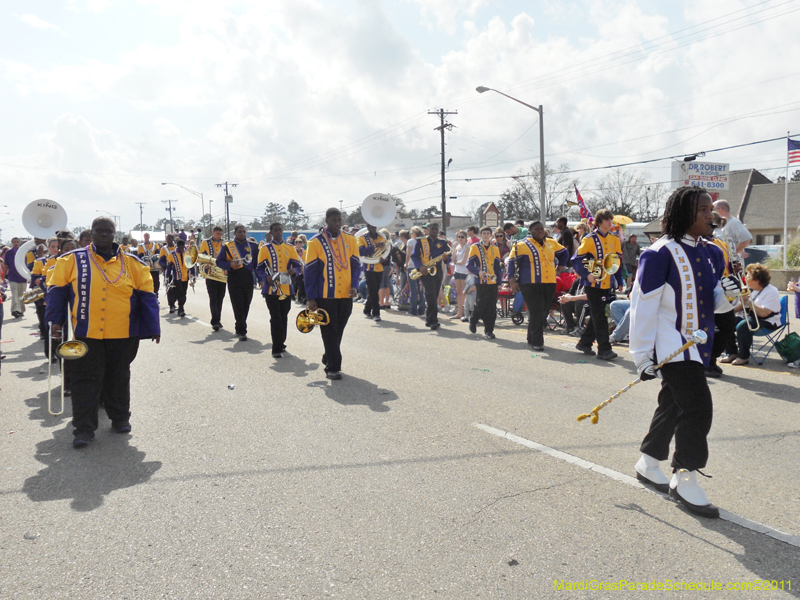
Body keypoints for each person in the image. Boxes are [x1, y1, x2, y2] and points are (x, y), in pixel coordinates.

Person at [630, 186, 731, 518]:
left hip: (698, 346)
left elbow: (712, 304)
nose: (710, 215)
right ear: (685, 213)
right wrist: (642, 355)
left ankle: (648, 461)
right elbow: (643, 306)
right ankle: (684, 477)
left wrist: (730, 294)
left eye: (710, 210)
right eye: (703, 210)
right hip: (672, 347)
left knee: (674, 404)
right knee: (699, 407)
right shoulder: (658, 253)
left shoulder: (711, 252)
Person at [46, 217, 161, 448]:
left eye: (109, 231)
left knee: (119, 376)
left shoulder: (133, 263)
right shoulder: (71, 260)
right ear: (93, 233)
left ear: (114, 234)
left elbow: (148, 296)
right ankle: (83, 429)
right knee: (84, 380)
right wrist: (55, 322)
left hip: (123, 334)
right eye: (100, 231)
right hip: (86, 334)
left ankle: (120, 419)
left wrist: (153, 327)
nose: (104, 235)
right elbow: (56, 292)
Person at [304, 208, 361, 380]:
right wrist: (311, 298)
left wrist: (355, 286)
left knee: (339, 329)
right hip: (325, 296)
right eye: (333, 221)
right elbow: (310, 273)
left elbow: (356, 266)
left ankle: (329, 354)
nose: (337, 224)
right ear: (326, 222)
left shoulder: (351, 240)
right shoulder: (315, 243)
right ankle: (333, 367)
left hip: (345, 295)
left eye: (339, 220)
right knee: (329, 330)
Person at [507, 221, 569, 350]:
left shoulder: (551, 243)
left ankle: (531, 336)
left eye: (542, 229)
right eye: (537, 229)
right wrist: (512, 281)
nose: (540, 231)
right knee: (536, 312)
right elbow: (511, 263)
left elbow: (564, 253)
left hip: (550, 282)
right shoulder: (521, 245)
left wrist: (560, 268)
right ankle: (537, 342)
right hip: (529, 283)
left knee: (543, 312)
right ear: (530, 230)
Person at [572, 209, 624, 360]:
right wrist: (587, 274)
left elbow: (616, 262)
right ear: (599, 222)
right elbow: (576, 259)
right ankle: (604, 349)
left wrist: (620, 281)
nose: (610, 222)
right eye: (607, 219)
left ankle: (585, 342)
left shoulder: (614, 239)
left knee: (599, 314)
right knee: (600, 316)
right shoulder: (590, 238)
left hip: (607, 283)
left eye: (611, 219)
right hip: (593, 284)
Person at [719, 263, 782, 366]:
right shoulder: (749, 289)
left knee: (743, 326)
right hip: (751, 316)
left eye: (747, 276)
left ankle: (743, 356)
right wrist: (739, 304)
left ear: (757, 280)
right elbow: (737, 308)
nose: (745, 278)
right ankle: (731, 352)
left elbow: (764, 313)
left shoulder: (771, 291)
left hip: (768, 320)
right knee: (727, 323)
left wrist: (748, 302)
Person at [256, 222, 302, 358]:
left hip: (286, 288)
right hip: (271, 289)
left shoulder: (290, 247)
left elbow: (298, 265)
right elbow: (259, 268)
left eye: (280, 230)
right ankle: (276, 347)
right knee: (275, 317)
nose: (278, 232)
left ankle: (281, 342)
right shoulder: (265, 248)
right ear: (271, 232)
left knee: (284, 316)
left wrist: (295, 270)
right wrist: (266, 277)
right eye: (275, 230)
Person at [216, 225, 259, 341]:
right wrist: (230, 265)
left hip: (248, 277)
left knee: (246, 303)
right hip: (234, 276)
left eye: (244, 232)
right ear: (234, 233)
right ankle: (242, 330)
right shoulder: (227, 246)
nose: (242, 234)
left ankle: (239, 325)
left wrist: (260, 279)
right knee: (237, 303)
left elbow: (257, 265)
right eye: (240, 232)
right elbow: (218, 261)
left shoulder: (253, 246)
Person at [411, 222, 450, 330]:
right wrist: (420, 267)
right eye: (433, 229)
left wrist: (447, 258)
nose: (434, 231)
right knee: (431, 295)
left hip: (437, 271)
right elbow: (414, 256)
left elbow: (448, 255)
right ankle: (433, 321)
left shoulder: (443, 242)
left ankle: (429, 319)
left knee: (434, 295)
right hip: (426, 271)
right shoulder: (421, 241)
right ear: (428, 229)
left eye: (436, 229)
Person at [467, 226, 502, 339]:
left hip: (493, 281)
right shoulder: (475, 247)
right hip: (481, 281)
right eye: (484, 233)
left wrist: (500, 282)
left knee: (491, 307)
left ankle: (489, 331)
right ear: (481, 235)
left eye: (488, 233)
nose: (486, 235)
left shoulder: (495, 249)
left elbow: (497, 267)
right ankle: (473, 319)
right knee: (481, 304)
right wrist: (478, 272)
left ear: (491, 235)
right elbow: (469, 265)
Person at [199, 226, 227, 331]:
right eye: (217, 233)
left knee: (220, 298)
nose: (219, 235)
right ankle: (214, 320)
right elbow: (202, 256)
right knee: (213, 298)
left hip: (222, 275)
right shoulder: (206, 243)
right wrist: (205, 264)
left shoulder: (224, 243)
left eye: (220, 234)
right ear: (213, 232)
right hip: (211, 275)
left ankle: (218, 319)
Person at [357, 224, 387, 322]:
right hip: (369, 267)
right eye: (372, 227)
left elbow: (386, 251)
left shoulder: (381, 237)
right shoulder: (362, 238)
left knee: (374, 290)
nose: (374, 229)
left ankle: (367, 309)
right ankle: (376, 313)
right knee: (373, 290)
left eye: (375, 226)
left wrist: (384, 259)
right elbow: (361, 252)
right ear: (368, 227)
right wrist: (374, 246)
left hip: (379, 268)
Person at [160, 238, 189, 317]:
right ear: (177, 246)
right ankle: (181, 309)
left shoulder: (187, 253)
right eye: (179, 247)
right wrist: (167, 277)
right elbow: (169, 266)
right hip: (177, 277)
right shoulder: (172, 254)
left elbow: (191, 265)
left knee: (184, 293)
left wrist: (193, 274)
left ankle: (181, 306)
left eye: (182, 247)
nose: (181, 248)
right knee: (180, 293)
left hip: (186, 277)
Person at [4, 238, 28, 318]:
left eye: (17, 242)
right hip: (12, 276)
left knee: (22, 294)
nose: (16, 243)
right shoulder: (9, 253)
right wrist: (4, 275)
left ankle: (21, 310)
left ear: (19, 242)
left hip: (22, 276)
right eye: (14, 242)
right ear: (12, 243)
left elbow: (27, 264)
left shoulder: (23, 252)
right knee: (14, 294)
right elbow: (6, 265)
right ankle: (15, 310)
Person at [405, 226, 426, 317]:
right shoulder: (422, 240)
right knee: (421, 288)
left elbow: (408, 254)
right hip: (420, 265)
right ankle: (422, 309)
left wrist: (406, 263)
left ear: (413, 233)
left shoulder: (410, 241)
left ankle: (413, 310)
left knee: (413, 289)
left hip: (412, 266)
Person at [450, 231, 470, 320]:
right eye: (459, 237)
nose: (460, 238)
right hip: (457, 271)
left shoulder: (467, 247)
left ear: (465, 238)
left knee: (464, 293)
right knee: (458, 293)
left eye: (462, 237)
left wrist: (454, 262)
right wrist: (454, 248)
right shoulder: (457, 247)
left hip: (464, 272)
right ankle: (459, 313)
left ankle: (466, 313)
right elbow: (452, 258)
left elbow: (463, 261)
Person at [137, 232, 161, 297]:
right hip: (146, 267)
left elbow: (157, 253)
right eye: (145, 236)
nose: (146, 238)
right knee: (147, 281)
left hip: (154, 267)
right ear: (144, 237)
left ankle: (156, 293)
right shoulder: (141, 246)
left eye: (147, 236)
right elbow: (140, 256)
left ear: (149, 237)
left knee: (156, 281)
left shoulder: (155, 245)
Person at [378, 227, 394, 310]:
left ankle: (381, 302)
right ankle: (387, 302)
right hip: (388, 265)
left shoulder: (382, 243)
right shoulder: (390, 243)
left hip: (381, 265)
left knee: (381, 285)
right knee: (387, 284)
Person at [294, 235, 307, 304]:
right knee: (299, 284)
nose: (299, 245)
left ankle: (303, 296)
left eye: (300, 244)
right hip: (297, 270)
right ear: (295, 244)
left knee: (304, 283)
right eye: (298, 244)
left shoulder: (305, 252)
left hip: (304, 270)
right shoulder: (293, 252)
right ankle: (299, 297)